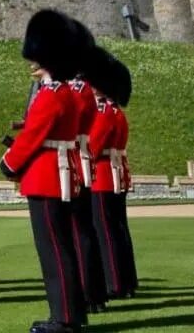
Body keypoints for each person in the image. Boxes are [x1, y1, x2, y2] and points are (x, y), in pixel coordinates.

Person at [0, 9, 89, 333]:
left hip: (45, 178)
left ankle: (63, 318)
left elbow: (32, 137)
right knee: (63, 246)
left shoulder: (50, 97)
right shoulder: (69, 95)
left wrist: (8, 164)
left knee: (53, 250)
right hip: (62, 174)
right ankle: (72, 313)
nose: (32, 63)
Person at [85, 47, 137, 301]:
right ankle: (126, 280)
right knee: (117, 230)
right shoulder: (115, 111)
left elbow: (92, 148)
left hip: (102, 177)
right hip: (114, 175)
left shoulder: (104, 114)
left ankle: (114, 282)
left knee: (105, 231)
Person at [65, 23, 108, 314]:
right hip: (78, 160)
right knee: (84, 231)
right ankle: (93, 291)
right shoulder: (83, 89)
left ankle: (89, 292)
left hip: (72, 163)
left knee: (79, 232)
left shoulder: (76, 90)